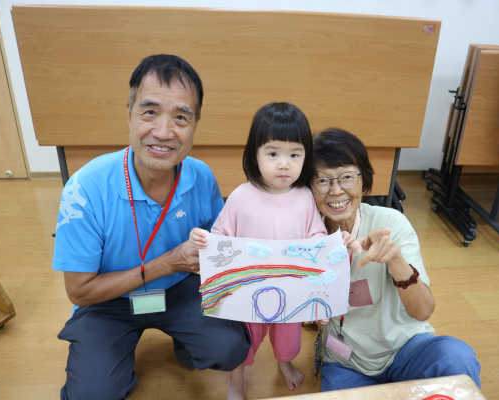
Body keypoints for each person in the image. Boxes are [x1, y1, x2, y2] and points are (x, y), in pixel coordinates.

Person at [52, 54, 251, 400]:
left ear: (195, 124)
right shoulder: (84, 189)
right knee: (92, 394)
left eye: (181, 117)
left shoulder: (201, 176)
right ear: (129, 113)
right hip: (108, 300)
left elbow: (220, 252)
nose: (163, 132)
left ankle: (185, 341)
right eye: (149, 112)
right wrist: (168, 263)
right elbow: (79, 292)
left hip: (179, 291)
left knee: (230, 348)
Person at [311, 128, 481, 391]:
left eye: (347, 177)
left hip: (406, 348)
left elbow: (422, 311)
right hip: (346, 362)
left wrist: (396, 260)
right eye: (322, 180)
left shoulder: (390, 223)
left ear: (363, 179)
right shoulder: (307, 239)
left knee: (455, 357)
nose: (335, 190)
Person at [190, 103, 329, 400]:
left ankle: (284, 361)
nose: (284, 164)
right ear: (255, 154)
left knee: (288, 334)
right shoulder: (241, 196)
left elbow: (316, 233)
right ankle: (236, 380)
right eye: (273, 153)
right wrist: (205, 240)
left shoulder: (305, 197)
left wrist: (322, 243)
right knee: (245, 338)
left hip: (290, 287)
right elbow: (221, 236)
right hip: (247, 288)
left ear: (306, 156)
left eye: (295, 155)